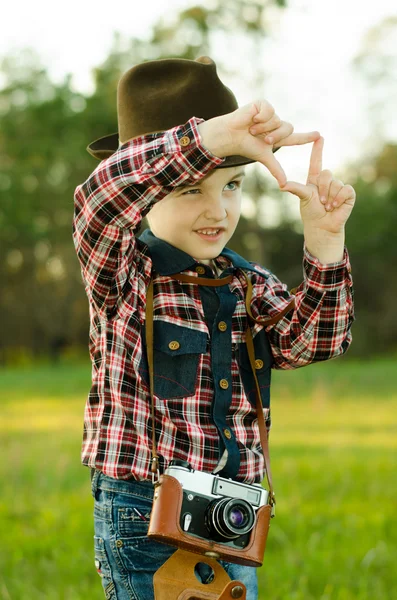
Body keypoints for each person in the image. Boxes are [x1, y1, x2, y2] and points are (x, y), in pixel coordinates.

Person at [72, 56, 355, 600]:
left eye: (231, 186)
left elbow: (313, 342)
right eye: (191, 190)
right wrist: (214, 135)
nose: (218, 210)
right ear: (147, 195)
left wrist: (324, 244)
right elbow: (100, 201)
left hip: (233, 512)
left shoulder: (246, 282)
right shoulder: (124, 277)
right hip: (145, 512)